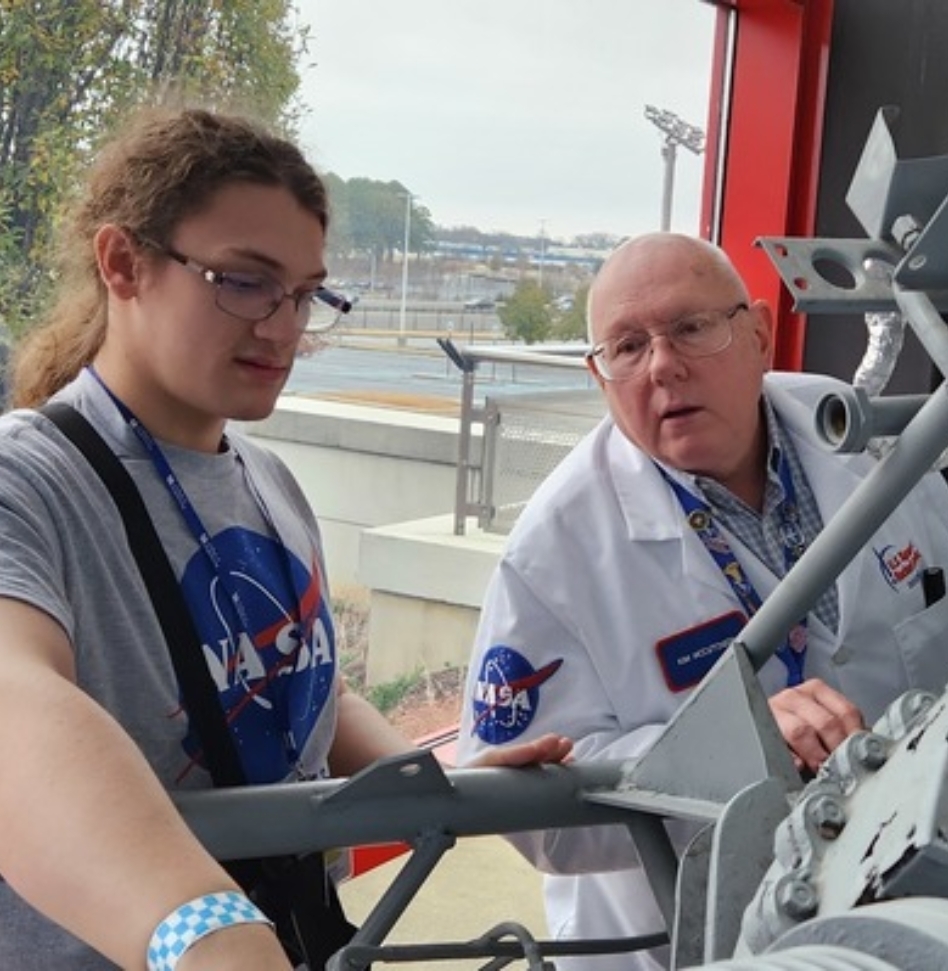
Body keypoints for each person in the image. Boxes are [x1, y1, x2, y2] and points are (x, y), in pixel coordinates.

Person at [0, 105, 570, 971]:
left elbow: (307, 696)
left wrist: (454, 790)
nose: (282, 327)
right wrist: (206, 936)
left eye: (305, 293)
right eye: (244, 281)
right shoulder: (30, 482)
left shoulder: (269, 482)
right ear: (124, 263)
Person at [457, 232, 948, 970]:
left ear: (758, 333)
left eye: (692, 327)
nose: (663, 364)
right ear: (600, 377)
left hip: (907, 904)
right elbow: (534, 819)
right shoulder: (553, 552)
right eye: (627, 347)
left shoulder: (869, 444)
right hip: (680, 943)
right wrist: (733, 746)